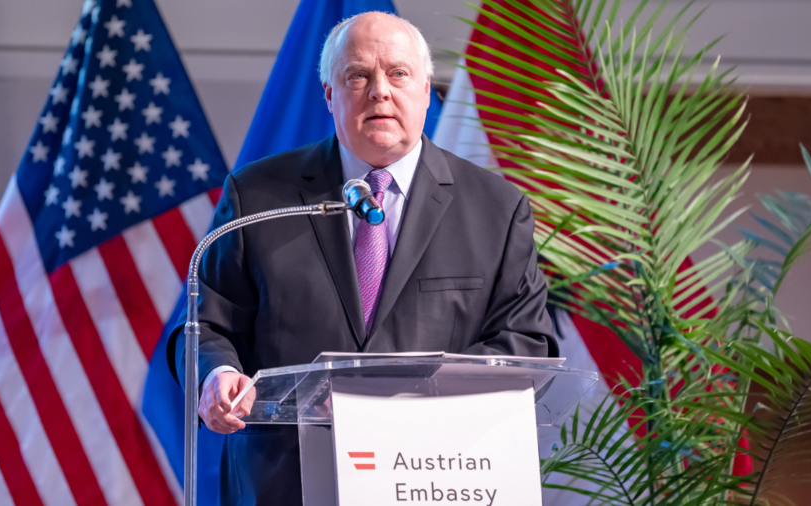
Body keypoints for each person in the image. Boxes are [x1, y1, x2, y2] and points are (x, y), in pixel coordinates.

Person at [167, 11, 557, 506]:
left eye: (398, 73)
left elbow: (524, 345)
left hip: (435, 477)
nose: (380, 91)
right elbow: (207, 325)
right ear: (329, 94)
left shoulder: (496, 209)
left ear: (426, 88)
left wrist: (403, 398)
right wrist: (215, 376)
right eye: (358, 75)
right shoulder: (258, 195)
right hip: (283, 484)